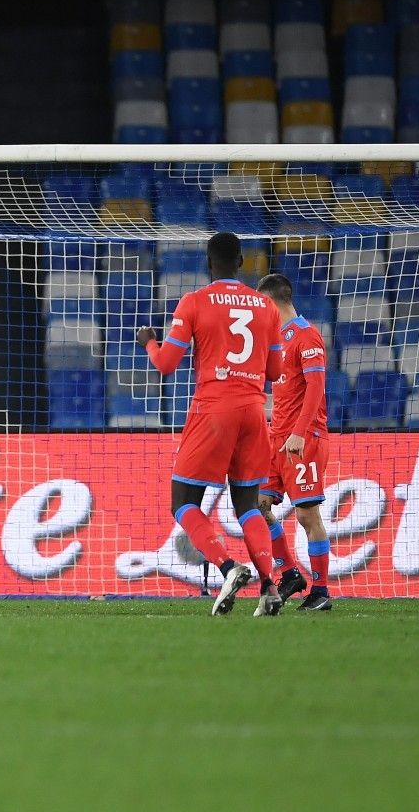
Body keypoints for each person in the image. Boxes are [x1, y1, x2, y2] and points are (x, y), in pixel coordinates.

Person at [138, 231, 284, 616]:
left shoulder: (194, 302)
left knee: (183, 502)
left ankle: (228, 566)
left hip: (213, 410)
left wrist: (149, 343)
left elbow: (166, 364)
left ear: (209, 263)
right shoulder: (265, 306)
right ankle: (270, 587)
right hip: (255, 411)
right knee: (249, 505)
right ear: (241, 263)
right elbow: (276, 370)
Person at [254, 273, 334, 612]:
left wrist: (300, 432)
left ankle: (321, 590)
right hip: (277, 439)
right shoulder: (276, 340)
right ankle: (289, 574)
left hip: (305, 438)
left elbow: (315, 387)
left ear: (273, 304)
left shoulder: (306, 334)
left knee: (306, 515)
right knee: (258, 505)